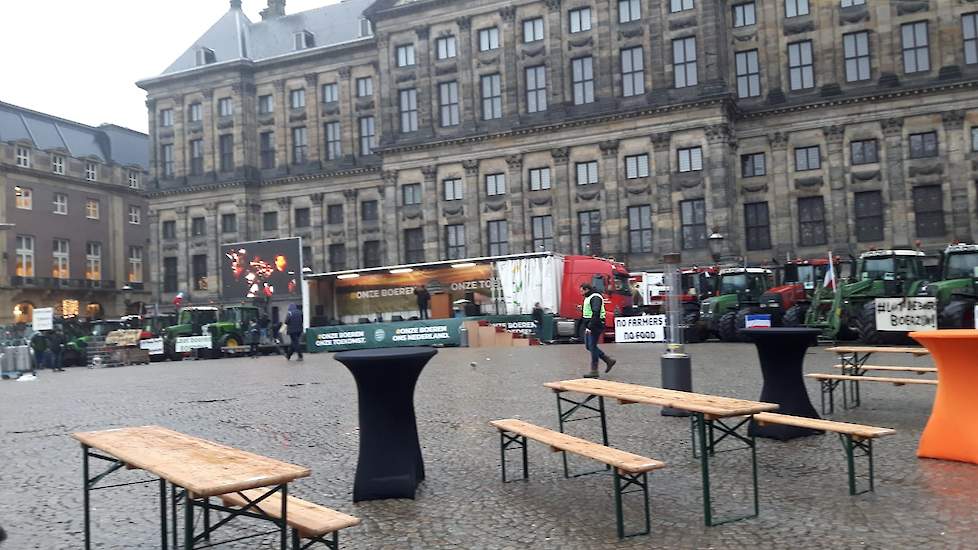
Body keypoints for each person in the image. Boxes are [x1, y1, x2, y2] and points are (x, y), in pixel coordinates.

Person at [580, 283, 616, 378]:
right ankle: (608, 360)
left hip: (595, 324)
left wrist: (590, 326)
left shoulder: (595, 297)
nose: (581, 293)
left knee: (592, 346)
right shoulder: (589, 297)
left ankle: (594, 370)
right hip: (590, 324)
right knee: (589, 346)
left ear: (587, 289)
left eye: (582, 290)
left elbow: (596, 312)